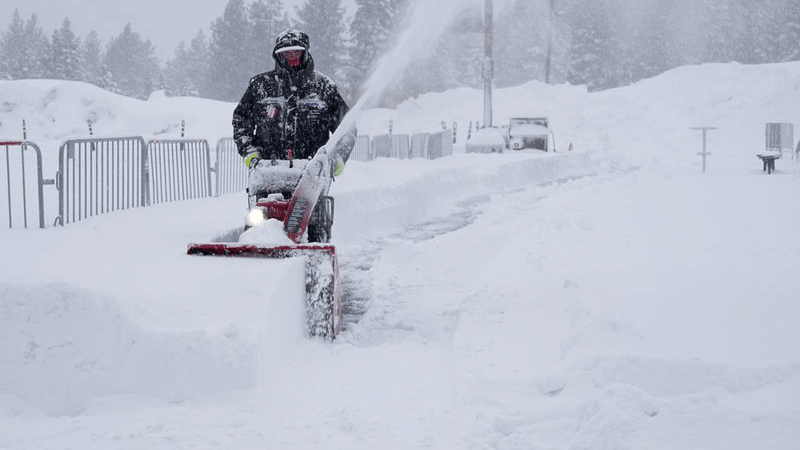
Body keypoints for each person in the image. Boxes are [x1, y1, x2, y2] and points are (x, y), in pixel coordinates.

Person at [232, 29, 356, 177]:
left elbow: (347, 128)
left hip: (313, 174)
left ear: (305, 53)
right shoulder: (260, 85)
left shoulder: (324, 87)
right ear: (279, 55)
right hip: (267, 170)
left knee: (309, 201)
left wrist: (339, 157)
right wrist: (249, 151)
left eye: (296, 52)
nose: (292, 57)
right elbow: (241, 120)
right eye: (287, 53)